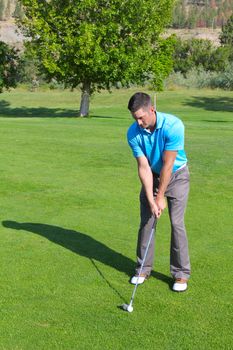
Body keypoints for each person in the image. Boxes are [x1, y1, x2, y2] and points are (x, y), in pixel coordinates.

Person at [127, 92, 190, 292]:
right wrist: (151, 199)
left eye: (141, 117)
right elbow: (143, 168)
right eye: (134, 118)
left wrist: (160, 196)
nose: (138, 122)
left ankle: (180, 275)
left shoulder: (174, 126)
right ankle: (143, 269)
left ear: (151, 110)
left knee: (176, 223)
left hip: (177, 175)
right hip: (152, 175)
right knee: (147, 222)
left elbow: (168, 165)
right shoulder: (133, 133)